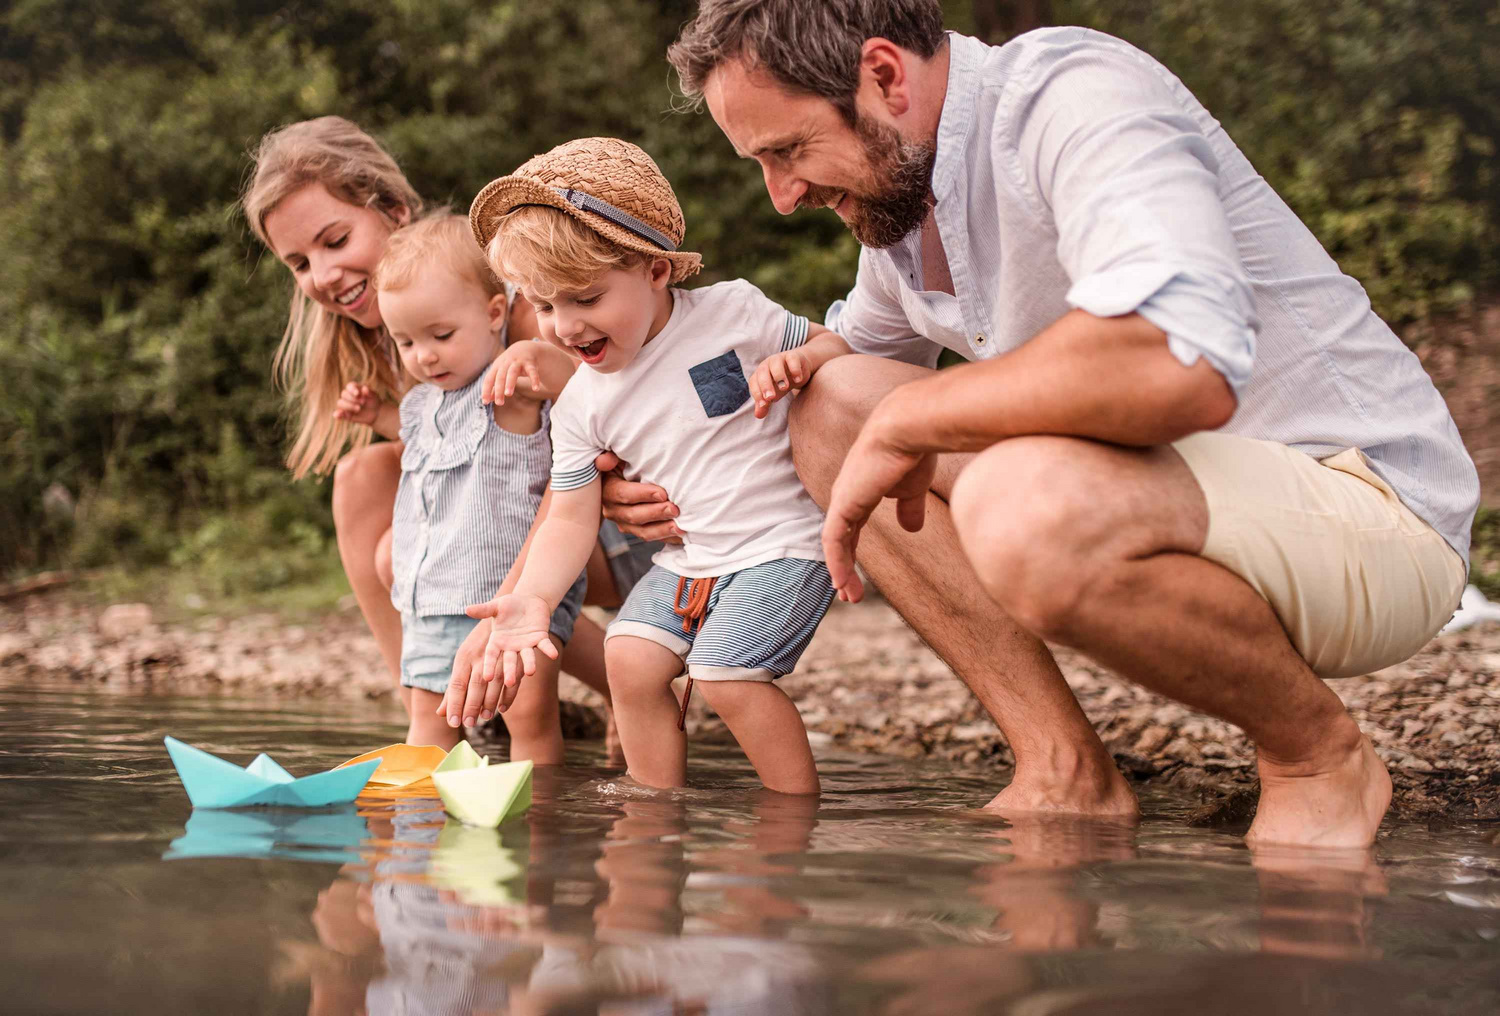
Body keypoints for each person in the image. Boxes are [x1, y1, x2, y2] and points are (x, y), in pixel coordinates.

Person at [629, 0, 1479, 847]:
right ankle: (1063, 768)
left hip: (1370, 512)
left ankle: (1317, 758)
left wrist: (917, 416)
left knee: (1017, 498)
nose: (782, 197)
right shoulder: (901, 208)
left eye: (788, 150)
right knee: (831, 408)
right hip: (1192, 507)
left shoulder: (1070, 93)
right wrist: (647, 478)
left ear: (884, 77)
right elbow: (835, 372)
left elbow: (1177, 358)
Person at [450, 137, 851, 794]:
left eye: (585, 298)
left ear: (656, 271)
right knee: (627, 659)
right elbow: (570, 520)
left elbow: (835, 346)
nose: (564, 327)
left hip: (782, 541)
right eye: (545, 305)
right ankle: (653, 810)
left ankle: (791, 818)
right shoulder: (581, 403)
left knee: (726, 676)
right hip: (689, 559)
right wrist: (533, 599)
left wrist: (802, 363)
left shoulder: (733, 313)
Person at [241, 116, 655, 730]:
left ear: (395, 211)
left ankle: (557, 688)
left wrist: (507, 613)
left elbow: (572, 469)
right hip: (528, 535)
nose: (322, 274)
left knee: (442, 563)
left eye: (334, 240)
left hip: (621, 526)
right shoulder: (402, 342)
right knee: (364, 478)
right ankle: (429, 701)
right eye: (298, 263)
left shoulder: (517, 315)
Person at [337, 212, 589, 757]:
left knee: (530, 722)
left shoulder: (511, 386)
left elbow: (580, 387)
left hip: (508, 596)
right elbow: (419, 439)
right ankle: (420, 829)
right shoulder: (421, 402)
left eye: (441, 336)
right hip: (429, 599)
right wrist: (376, 413)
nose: (423, 355)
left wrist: (536, 354)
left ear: (495, 313)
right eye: (405, 342)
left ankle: (539, 819)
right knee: (430, 723)